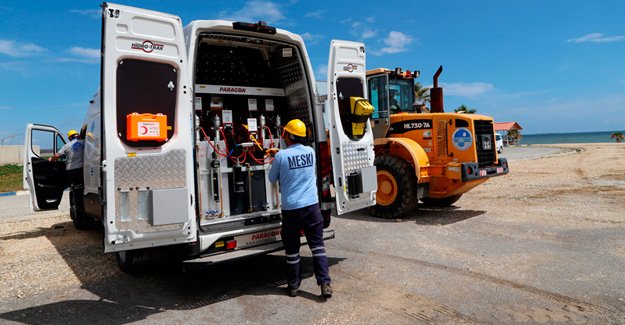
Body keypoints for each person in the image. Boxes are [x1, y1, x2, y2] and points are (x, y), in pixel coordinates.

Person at [268, 119, 332, 298]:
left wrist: (276, 158)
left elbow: (272, 179)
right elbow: (296, 159)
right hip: (311, 207)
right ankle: (325, 284)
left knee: (292, 250)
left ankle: (293, 286)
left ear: (288, 135)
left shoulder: (280, 157)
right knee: (318, 247)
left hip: (291, 210)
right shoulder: (311, 152)